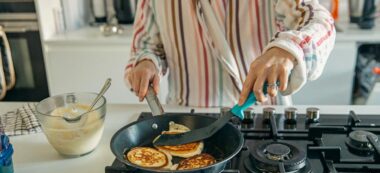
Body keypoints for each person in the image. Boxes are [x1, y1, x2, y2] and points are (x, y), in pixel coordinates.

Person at [124, 0, 335, 107]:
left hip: (264, 114)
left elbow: (319, 20)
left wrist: (288, 48)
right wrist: (146, 63)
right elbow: (147, 45)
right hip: (186, 119)